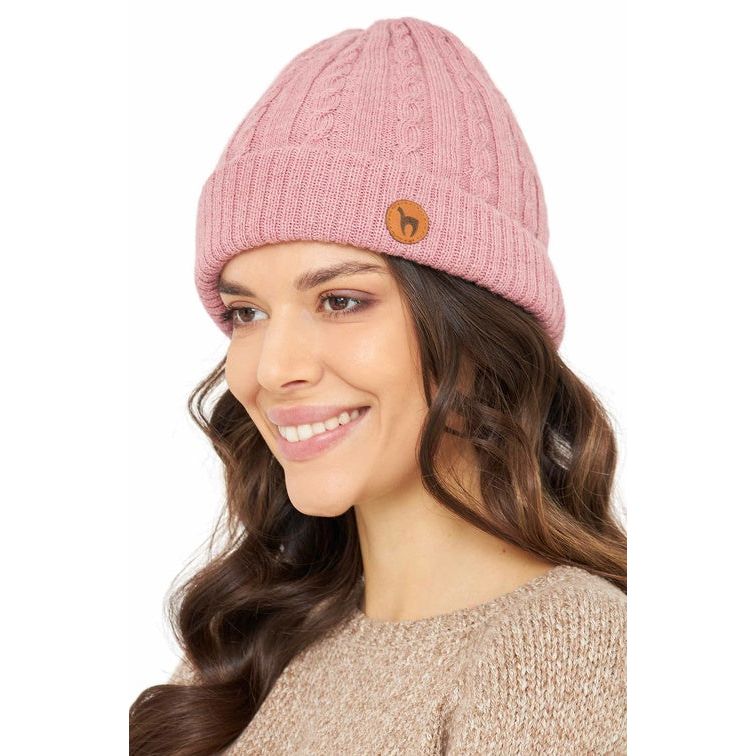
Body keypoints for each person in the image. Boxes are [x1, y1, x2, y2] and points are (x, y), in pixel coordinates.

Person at [130, 15, 627, 756]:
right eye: (247, 313)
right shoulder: (250, 646)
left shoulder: (563, 648)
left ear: (475, 326)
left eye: (340, 300)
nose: (271, 369)